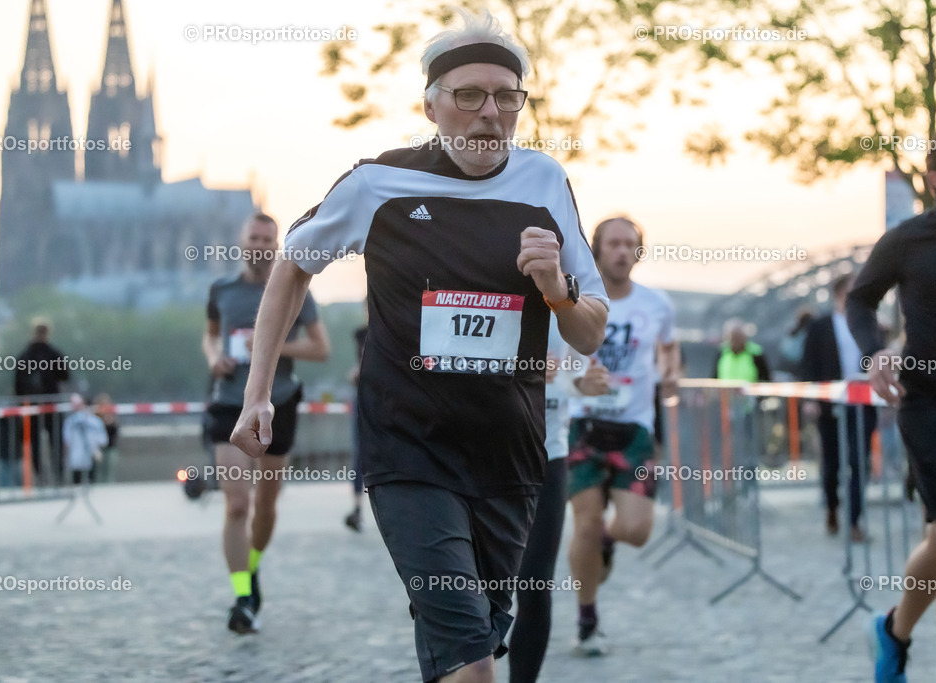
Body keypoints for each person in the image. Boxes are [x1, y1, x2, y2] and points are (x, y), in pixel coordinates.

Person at [230, 11, 608, 682]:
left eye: (507, 97)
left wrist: (556, 290)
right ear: (431, 106)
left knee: (469, 647)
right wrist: (256, 391)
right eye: (470, 95)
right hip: (409, 452)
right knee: (474, 664)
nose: (489, 112)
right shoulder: (378, 185)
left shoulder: (545, 182)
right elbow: (293, 265)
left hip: (509, 458)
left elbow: (590, 330)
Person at [849, 128, 936, 683]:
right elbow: (860, 299)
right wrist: (874, 353)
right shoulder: (909, 240)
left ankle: (892, 631)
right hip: (930, 406)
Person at [203, 212, 330, 634]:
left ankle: (252, 566)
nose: (259, 245)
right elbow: (210, 334)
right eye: (253, 238)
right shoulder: (221, 289)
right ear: (242, 241)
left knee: (266, 505)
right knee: (237, 503)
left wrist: (271, 342)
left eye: (266, 239)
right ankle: (242, 595)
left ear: (276, 245)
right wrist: (213, 357)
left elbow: (321, 349)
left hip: (280, 403)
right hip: (229, 402)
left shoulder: (294, 285)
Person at [565, 217, 680, 656]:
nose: (621, 251)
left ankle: (608, 544)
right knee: (586, 523)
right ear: (596, 250)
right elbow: (557, 355)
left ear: (638, 252)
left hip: (634, 428)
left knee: (635, 529)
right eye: (612, 243)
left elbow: (669, 347)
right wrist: (577, 383)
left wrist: (671, 371)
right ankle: (587, 620)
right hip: (584, 423)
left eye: (629, 244)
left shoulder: (657, 304)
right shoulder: (577, 300)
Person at [507, 317, 572, 683]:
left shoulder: (571, 301)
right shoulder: (485, 289)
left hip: (548, 458)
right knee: (472, 589)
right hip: (483, 459)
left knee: (534, 585)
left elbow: (588, 375)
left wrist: (579, 382)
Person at [800, 273, 878, 542]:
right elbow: (809, 363)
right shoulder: (820, 326)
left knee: (859, 461)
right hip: (830, 404)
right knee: (832, 463)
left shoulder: (869, 325)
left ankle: (854, 519)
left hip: (863, 403)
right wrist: (811, 399)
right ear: (839, 294)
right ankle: (832, 508)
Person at [14, 320, 70, 484]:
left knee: (35, 443)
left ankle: (40, 477)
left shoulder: (25, 355)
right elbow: (65, 375)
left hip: (32, 406)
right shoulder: (53, 353)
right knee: (55, 441)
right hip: (51, 404)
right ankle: (58, 476)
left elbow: (18, 384)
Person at [344, 319, 368, 532]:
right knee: (360, 455)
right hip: (363, 398)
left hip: (389, 398)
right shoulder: (361, 333)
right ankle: (357, 507)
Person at [62, 393, 108, 485]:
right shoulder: (71, 421)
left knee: (85, 482)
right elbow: (103, 441)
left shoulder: (72, 421)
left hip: (88, 457)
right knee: (84, 482)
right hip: (80, 457)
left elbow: (66, 441)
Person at [93, 393, 120, 483]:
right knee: (99, 471)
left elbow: (115, 431)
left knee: (109, 470)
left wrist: (109, 421)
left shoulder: (112, 416)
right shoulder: (96, 417)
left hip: (110, 447)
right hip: (99, 448)